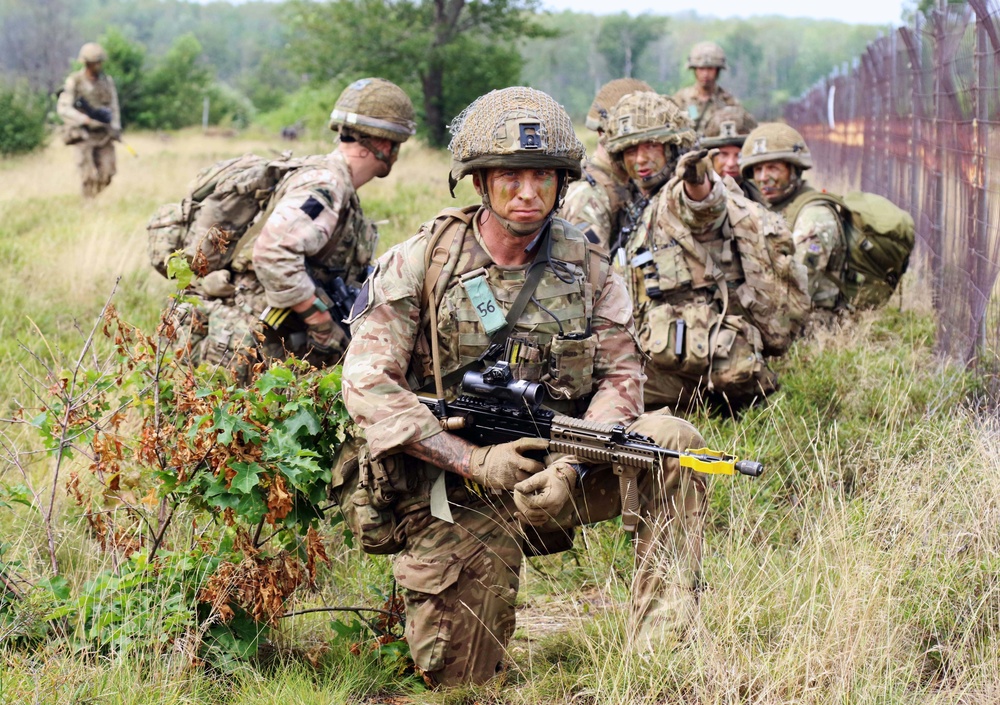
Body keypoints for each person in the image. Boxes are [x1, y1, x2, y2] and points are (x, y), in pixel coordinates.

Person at [341, 86, 710, 686]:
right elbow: (365, 384)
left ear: (563, 182)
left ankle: (661, 658)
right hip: (456, 485)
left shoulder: (588, 265)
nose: (528, 193)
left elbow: (622, 377)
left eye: (543, 176)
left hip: (565, 468)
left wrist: (570, 466)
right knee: (459, 680)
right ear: (481, 181)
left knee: (673, 443)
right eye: (510, 177)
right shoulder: (423, 260)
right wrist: (475, 460)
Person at [172, 78, 416, 381]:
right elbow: (273, 252)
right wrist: (319, 320)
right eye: (398, 144)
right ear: (383, 143)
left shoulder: (333, 183)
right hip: (248, 338)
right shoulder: (325, 185)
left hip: (252, 338)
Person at [605, 92, 809, 412]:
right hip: (678, 354)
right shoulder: (643, 203)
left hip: (703, 369)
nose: (640, 159)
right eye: (631, 150)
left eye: (650, 147)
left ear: (671, 148)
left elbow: (702, 206)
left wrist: (697, 180)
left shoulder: (676, 195)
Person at [740, 122, 846, 312]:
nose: (763, 177)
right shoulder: (774, 208)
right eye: (758, 169)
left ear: (794, 169)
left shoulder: (814, 216)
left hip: (815, 321)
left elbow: (797, 289)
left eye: (772, 167)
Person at [559, 77, 651, 252]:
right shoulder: (587, 195)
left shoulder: (627, 182)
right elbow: (594, 274)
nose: (644, 154)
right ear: (603, 133)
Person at [57, 43, 121, 198]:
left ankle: (92, 196)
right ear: (87, 63)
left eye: (100, 62)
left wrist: (115, 127)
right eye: (95, 62)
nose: (99, 65)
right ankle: (88, 205)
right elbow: (64, 108)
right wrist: (83, 119)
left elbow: (114, 106)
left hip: (103, 134)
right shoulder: (75, 81)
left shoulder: (107, 81)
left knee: (108, 173)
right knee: (88, 176)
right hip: (83, 134)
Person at [671, 41, 742, 135]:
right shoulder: (681, 100)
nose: (705, 74)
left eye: (710, 69)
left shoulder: (728, 102)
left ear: (717, 71)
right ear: (694, 70)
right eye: (701, 69)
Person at [700, 105, 760, 201]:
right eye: (723, 154)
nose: (731, 163)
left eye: (738, 155)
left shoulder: (760, 195)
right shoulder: (697, 196)